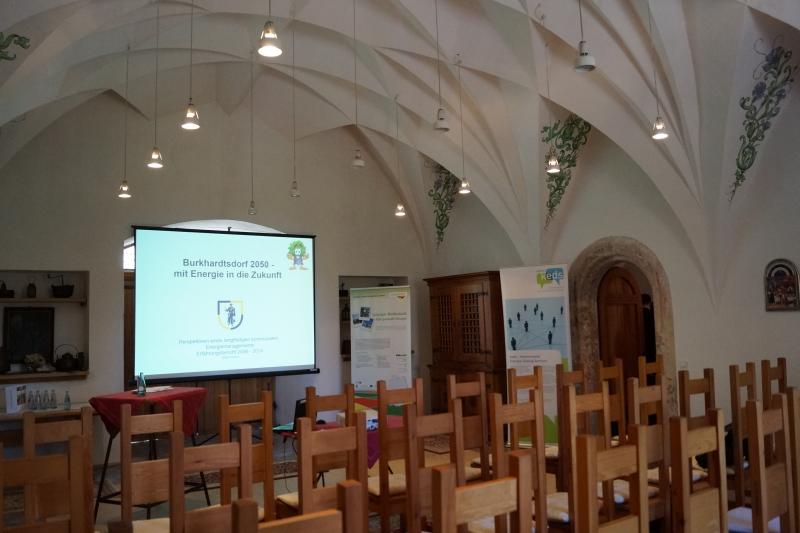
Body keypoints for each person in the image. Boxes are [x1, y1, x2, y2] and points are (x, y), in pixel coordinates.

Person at [642, 294, 656, 363]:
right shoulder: (650, 315)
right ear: (649, 303)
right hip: (651, 343)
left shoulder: (637, 313)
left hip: (642, 343)